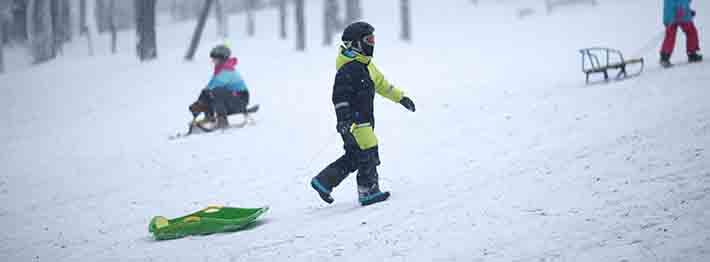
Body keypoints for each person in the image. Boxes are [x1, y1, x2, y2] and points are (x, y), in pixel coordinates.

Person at [310, 21, 416, 206]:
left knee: (354, 156)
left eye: (373, 39)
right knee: (368, 150)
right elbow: (339, 97)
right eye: (368, 39)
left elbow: (382, 85)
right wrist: (343, 119)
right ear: (356, 43)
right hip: (354, 122)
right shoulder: (347, 69)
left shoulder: (367, 66)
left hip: (364, 120)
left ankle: (324, 181)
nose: (372, 43)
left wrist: (401, 98)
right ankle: (368, 190)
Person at [189, 45, 250, 129]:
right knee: (209, 92)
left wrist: (200, 103)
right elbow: (208, 88)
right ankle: (209, 117)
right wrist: (199, 103)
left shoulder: (227, 71)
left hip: (240, 100)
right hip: (232, 99)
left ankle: (222, 121)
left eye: (215, 58)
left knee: (216, 91)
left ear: (222, 59)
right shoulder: (220, 70)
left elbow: (213, 88)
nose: (212, 60)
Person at [660, 0, 703, 67]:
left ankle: (692, 53)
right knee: (671, 36)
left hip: (683, 14)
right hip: (672, 15)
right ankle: (665, 57)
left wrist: (687, 11)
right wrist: (677, 11)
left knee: (691, 32)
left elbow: (684, 2)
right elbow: (671, 3)